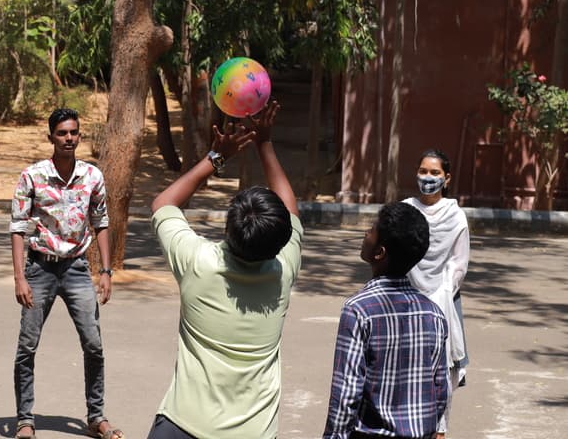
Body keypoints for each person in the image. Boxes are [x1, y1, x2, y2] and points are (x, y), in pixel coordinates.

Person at [147, 101, 302, 439]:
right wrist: (265, 143)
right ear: (281, 241)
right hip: (252, 431)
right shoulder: (283, 270)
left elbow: (163, 204)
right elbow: (292, 211)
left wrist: (215, 159)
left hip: (182, 425)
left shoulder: (198, 262)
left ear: (228, 230)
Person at [10, 108, 122, 439]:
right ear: (51, 137)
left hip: (76, 268)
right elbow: (17, 228)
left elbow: (101, 221)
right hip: (40, 268)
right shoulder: (32, 177)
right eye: (62, 133)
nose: (69, 138)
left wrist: (105, 270)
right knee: (27, 346)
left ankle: (96, 417)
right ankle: (24, 420)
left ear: (80, 135)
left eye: (74, 132)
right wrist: (19, 277)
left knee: (93, 344)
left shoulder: (92, 176)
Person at [323, 202, 449, 439]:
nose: (365, 234)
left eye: (371, 230)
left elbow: (346, 394)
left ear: (379, 252)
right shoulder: (433, 314)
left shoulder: (358, 310)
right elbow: (440, 388)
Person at [404, 149, 470, 438]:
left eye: (434, 173)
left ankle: (438, 431)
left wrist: (437, 293)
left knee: (439, 376)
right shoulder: (405, 210)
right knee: (404, 373)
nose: (427, 178)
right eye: (423, 171)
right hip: (404, 300)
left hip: (442, 303)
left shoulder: (456, 217)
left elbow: (459, 265)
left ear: (447, 178)